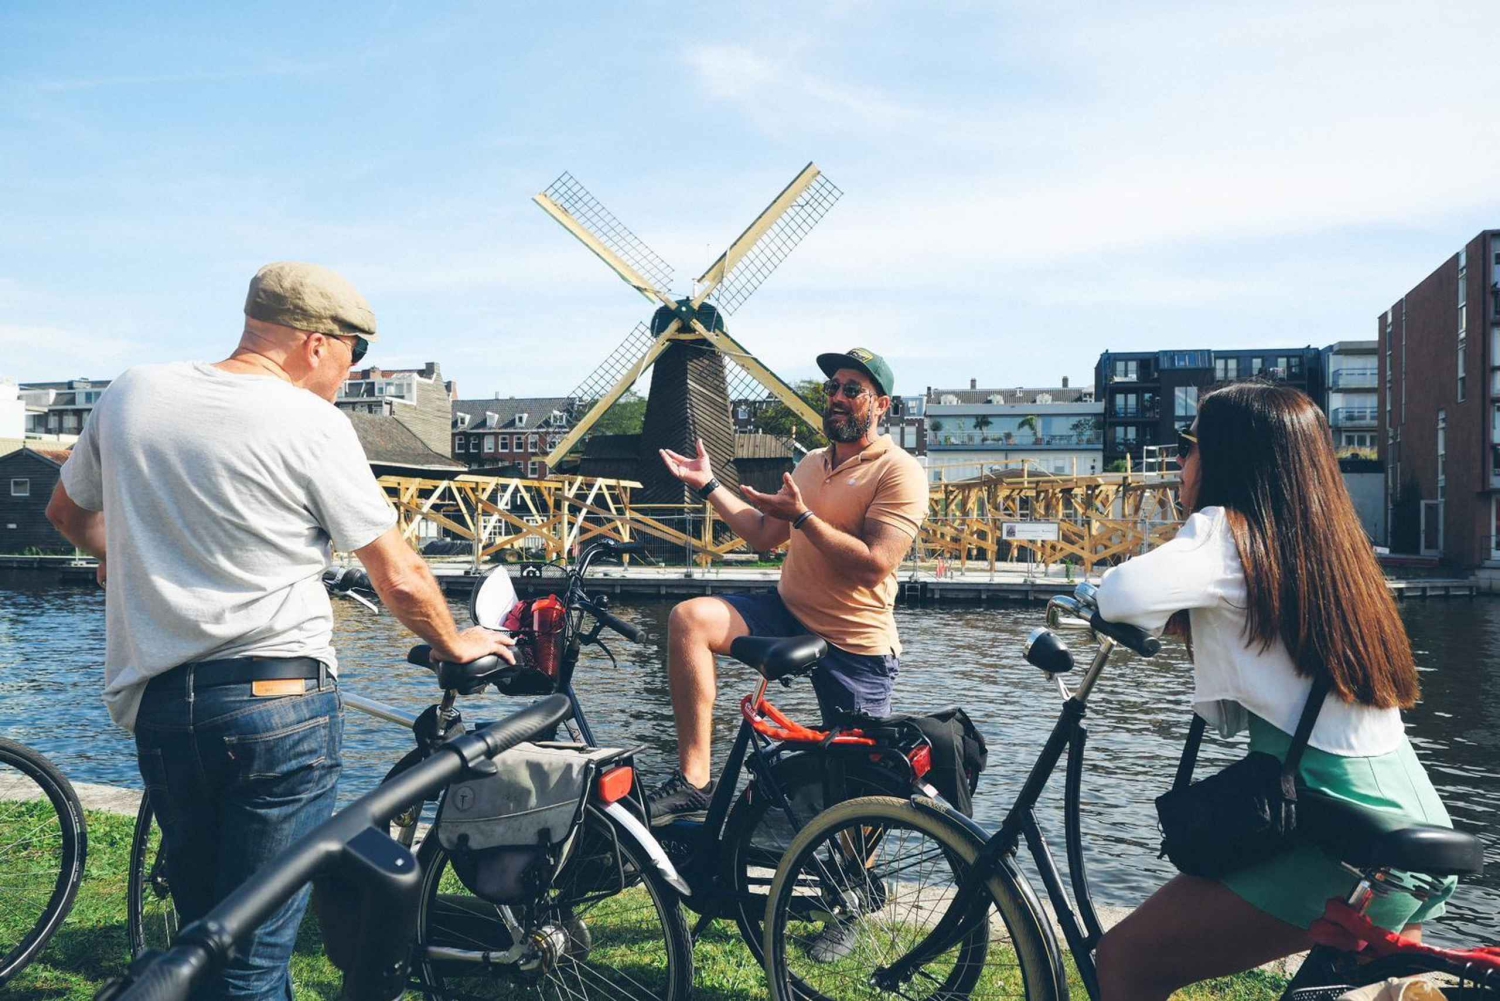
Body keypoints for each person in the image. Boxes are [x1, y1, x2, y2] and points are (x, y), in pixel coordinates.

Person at [45, 262, 513, 1000]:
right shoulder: (311, 423)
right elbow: (398, 573)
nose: (349, 376)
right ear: (316, 342)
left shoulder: (131, 392)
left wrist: (122, 557)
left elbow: (67, 515)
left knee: (204, 934)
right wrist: (455, 641)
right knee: (255, 959)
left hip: (164, 707)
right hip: (278, 705)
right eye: (355, 355)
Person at [1091, 383, 1455, 1001]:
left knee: (1127, 960)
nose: (1181, 461)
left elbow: (1122, 594)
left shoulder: (1226, 533)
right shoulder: (1331, 549)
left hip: (1339, 828)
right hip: (1408, 815)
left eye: (1190, 445)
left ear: (1226, 457)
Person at [646, 347, 928, 825]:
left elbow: (875, 566)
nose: (837, 397)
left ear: (881, 405)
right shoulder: (811, 464)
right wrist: (709, 485)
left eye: (852, 389)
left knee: (857, 801)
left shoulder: (898, 470)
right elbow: (762, 535)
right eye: (832, 387)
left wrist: (803, 517)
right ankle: (696, 781)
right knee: (689, 620)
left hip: (854, 643)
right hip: (787, 613)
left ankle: (852, 866)